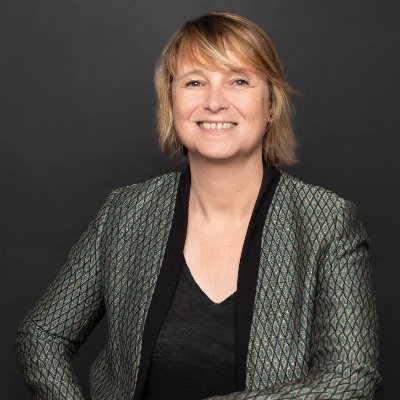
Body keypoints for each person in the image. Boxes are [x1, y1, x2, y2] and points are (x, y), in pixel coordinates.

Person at [16, 11, 383, 400]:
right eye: (195, 82)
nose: (214, 102)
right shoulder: (125, 213)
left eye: (238, 81)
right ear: (171, 101)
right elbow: (42, 335)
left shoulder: (326, 221)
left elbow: (351, 376)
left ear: (271, 104)